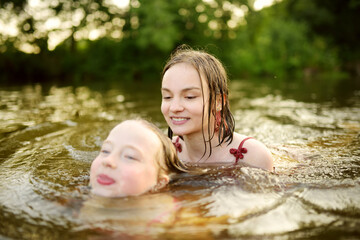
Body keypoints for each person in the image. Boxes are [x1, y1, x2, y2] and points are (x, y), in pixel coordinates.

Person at [160, 45, 274, 171]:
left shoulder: (253, 157)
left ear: (218, 102)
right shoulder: (163, 153)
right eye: (167, 97)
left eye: (190, 97)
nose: (174, 107)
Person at [89, 118, 187, 198]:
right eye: (105, 151)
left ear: (159, 183)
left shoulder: (178, 219)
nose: (108, 160)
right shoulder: (76, 200)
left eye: (130, 157)